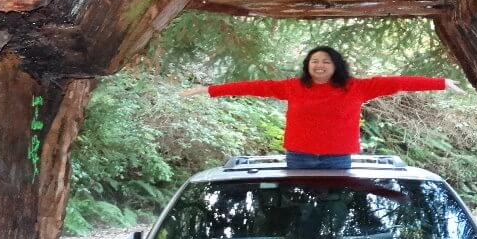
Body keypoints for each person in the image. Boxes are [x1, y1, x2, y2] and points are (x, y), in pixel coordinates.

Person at [177, 46, 458, 169]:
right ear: (307, 65)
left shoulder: (357, 87)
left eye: (325, 61)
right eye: (314, 61)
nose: (319, 65)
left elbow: (398, 82)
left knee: (335, 208)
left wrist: (441, 83)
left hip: (338, 160)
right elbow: (253, 86)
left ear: (335, 65)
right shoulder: (292, 86)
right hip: (299, 158)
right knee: (299, 205)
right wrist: (210, 89)